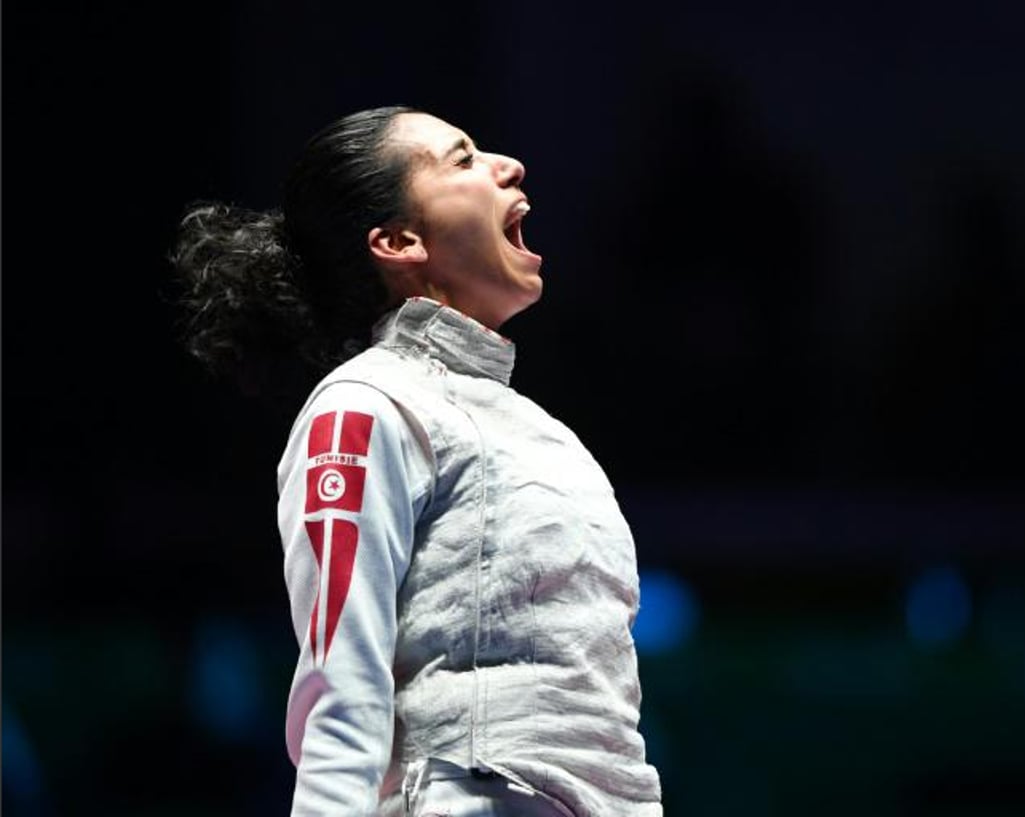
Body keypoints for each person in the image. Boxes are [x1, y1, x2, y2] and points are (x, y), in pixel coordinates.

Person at [171, 106, 663, 817]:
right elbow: (341, 676)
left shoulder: (542, 434)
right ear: (398, 241)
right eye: (460, 160)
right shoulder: (366, 403)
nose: (508, 165)